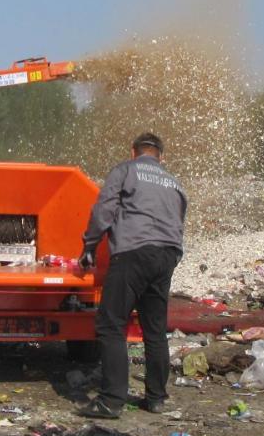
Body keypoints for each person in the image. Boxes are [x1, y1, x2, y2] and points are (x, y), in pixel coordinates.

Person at [79, 132, 186, 418]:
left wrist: (89, 245)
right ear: (161, 156)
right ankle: (156, 398)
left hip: (133, 253)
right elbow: (179, 220)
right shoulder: (174, 182)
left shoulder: (126, 170)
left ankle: (111, 400)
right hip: (167, 256)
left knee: (111, 324)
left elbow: (104, 210)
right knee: (154, 328)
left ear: (134, 151)